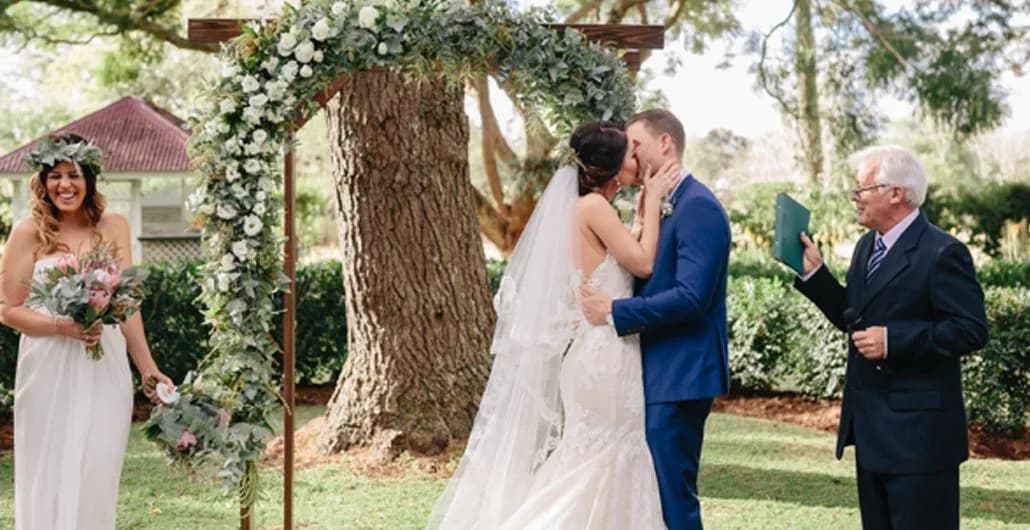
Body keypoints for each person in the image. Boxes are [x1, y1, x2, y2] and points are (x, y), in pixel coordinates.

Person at [428, 122, 680, 529]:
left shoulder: (584, 210)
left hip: (595, 353)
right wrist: (652, 202)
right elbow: (643, 264)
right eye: (631, 154)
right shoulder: (594, 208)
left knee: (595, 460)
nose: (639, 160)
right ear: (614, 169)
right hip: (606, 358)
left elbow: (614, 262)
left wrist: (637, 220)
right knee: (606, 459)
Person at [793, 145, 988, 530]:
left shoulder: (943, 252)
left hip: (921, 440)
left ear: (895, 193)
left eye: (861, 190)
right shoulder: (868, 246)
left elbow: (971, 330)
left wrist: (894, 340)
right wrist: (816, 276)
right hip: (872, 433)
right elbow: (856, 319)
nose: (854, 199)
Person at [0, 132, 174, 530]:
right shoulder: (29, 232)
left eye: (74, 174)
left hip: (103, 364)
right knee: (47, 468)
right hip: (46, 366)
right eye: (56, 175)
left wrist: (148, 369)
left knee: (98, 466)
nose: (65, 184)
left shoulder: (113, 226)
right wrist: (62, 326)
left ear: (90, 179)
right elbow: (8, 310)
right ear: (43, 182)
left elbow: (126, 303)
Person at [580, 109, 731, 530]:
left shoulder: (699, 207)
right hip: (650, 368)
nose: (631, 157)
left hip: (680, 373)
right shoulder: (659, 201)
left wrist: (615, 310)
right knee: (646, 495)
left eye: (636, 146)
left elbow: (692, 297)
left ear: (665, 144)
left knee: (672, 496)